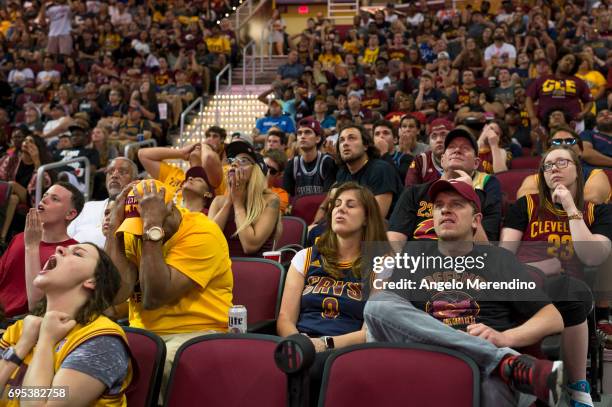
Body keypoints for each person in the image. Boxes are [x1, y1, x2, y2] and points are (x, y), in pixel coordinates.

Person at [366, 178, 564, 407]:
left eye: (457, 204)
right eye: (439, 205)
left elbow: (553, 318)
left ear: (476, 220)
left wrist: (506, 338)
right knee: (378, 305)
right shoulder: (412, 258)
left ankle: (498, 363)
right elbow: (384, 315)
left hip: (485, 372)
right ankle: (505, 362)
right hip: (426, 357)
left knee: (491, 387)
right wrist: (497, 355)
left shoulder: (499, 260)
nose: (445, 209)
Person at [501, 146, 612, 406]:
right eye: (548, 166)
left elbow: (592, 257)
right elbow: (505, 256)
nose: (554, 169)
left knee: (570, 291)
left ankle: (576, 386)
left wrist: (572, 207)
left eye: (562, 162)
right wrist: (538, 268)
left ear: (578, 170)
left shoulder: (599, 211)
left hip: (568, 290)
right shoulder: (526, 205)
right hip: (525, 282)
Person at [105, 179, 233, 397]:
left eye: (144, 226)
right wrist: (115, 229)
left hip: (195, 332)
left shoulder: (203, 232)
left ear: (170, 209)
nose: (139, 233)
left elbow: (154, 297)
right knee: (92, 361)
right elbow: (116, 295)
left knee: (160, 367)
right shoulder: (131, 230)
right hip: (142, 333)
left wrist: (152, 228)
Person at [0, 243, 132, 405]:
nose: (59, 248)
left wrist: (46, 340)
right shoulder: (22, 329)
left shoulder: (102, 340)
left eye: (77, 254)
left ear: (92, 281)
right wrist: (21, 346)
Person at [388, 127, 502, 242]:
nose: (457, 150)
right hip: (418, 258)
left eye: (465, 148)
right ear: (442, 160)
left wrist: (469, 197)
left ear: (476, 163)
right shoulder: (414, 193)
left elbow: (486, 251)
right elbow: (395, 238)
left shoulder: (483, 198)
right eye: (451, 147)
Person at [0, 182, 83, 318]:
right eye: (45, 195)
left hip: (23, 324)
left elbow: (39, 307)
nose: (44, 200)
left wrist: (31, 247)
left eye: (54, 199)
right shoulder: (20, 238)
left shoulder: (71, 253)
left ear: (70, 214)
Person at [208, 139, 281, 256]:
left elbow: (250, 246)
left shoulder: (271, 200)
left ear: (256, 172)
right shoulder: (218, 202)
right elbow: (207, 242)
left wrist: (238, 204)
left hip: (253, 269)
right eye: (232, 160)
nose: (234, 164)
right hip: (221, 269)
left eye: (243, 161)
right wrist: (229, 201)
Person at [517, 127, 611, 205]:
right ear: (547, 151)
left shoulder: (595, 174)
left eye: (570, 141)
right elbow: (526, 201)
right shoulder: (534, 178)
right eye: (556, 142)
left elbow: (592, 200)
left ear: (581, 150)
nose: (563, 144)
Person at [335, 124, 403, 219]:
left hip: (384, 229)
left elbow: (377, 217)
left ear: (365, 146)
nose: (345, 143)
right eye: (341, 140)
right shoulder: (342, 173)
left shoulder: (381, 169)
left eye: (351, 138)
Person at [68, 158, 138, 248]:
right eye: (110, 172)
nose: (114, 175)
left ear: (135, 180)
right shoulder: (88, 206)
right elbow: (67, 237)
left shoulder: (136, 211)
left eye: (122, 172)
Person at [526, 52, 593, 133]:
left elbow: (589, 101)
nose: (568, 63)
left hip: (573, 123)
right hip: (544, 122)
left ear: (573, 68)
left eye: (572, 63)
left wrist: (583, 113)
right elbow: (529, 98)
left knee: (574, 145)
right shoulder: (541, 80)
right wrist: (532, 117)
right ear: (559, 61)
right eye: (567, 59)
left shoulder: (579, 82)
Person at [283, 118, 337, 198]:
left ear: (318, 139)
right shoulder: (291, 164)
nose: (303, 136)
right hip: (299, 209)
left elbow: (328, 198)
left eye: (307, 132)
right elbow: (286, 197)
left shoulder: (327, 162)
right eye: (299, 133)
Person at [405, 119, 453, 185]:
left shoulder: (461, 158)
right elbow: (409, 191)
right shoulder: (420, 161)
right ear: (429, 142)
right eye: (434, 136)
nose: (438, 140)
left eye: (444, 135)